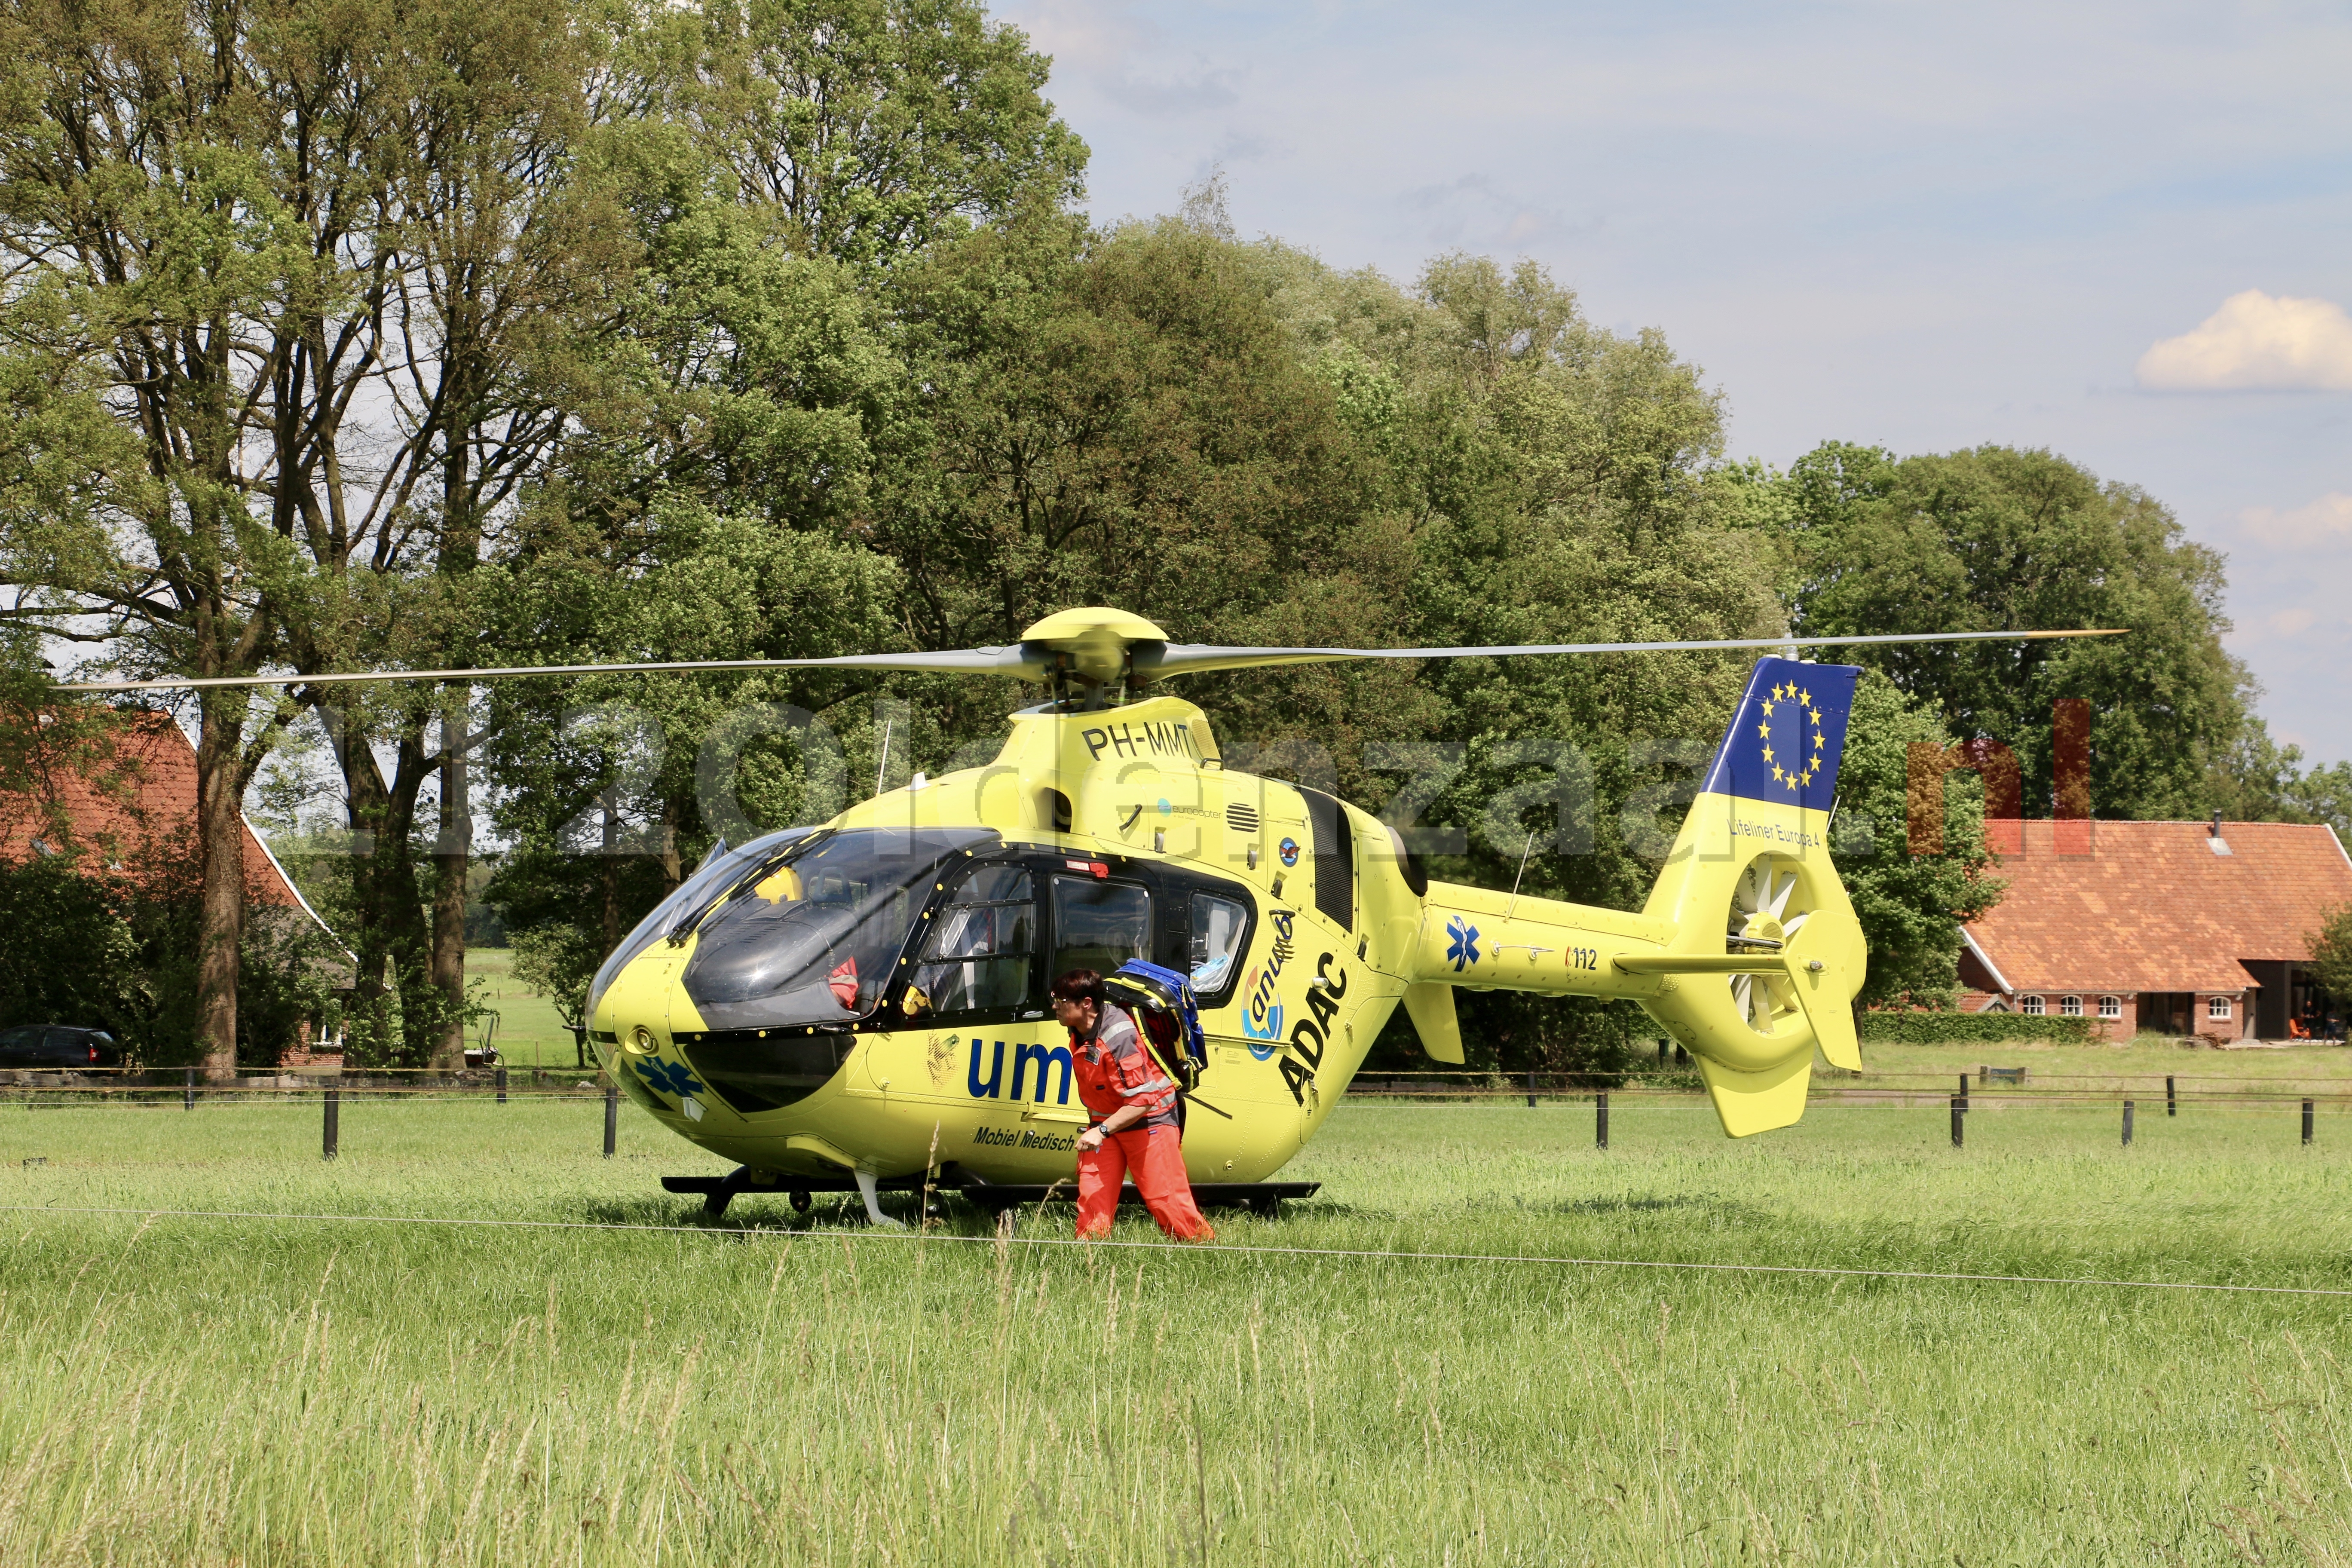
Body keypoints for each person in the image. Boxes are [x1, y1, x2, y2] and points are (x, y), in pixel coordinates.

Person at [1050, 968, 1214, 1242]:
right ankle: (1088, 1257)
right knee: (1093, 1194)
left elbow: (1142, 1101)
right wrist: (1102, 1128)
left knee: (1166, 1200)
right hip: (1107, 1123)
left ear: (1086, 1004)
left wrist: (1101, 1131)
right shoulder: (1079, 1029)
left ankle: (1202, 1250)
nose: (1054, 1006)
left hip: (1151, 1119)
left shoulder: (1118, 1037)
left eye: (1061, 1000)